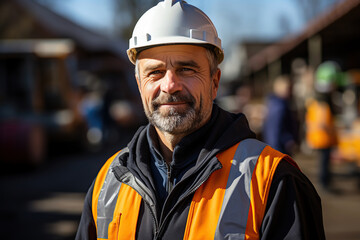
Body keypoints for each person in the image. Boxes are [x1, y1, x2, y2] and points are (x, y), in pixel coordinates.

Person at [76, 1, 325, 239]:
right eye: (155, 72)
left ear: (214, 83)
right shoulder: (108, 182)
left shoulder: (273, 180)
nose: (170, 85)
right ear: (140, 84)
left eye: (186, 69)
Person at [306, 61, 339, 189]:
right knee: (324, 163)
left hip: (322, 138)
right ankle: (324, 183)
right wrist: (332, 130)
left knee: (324, 162)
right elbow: (322, 123)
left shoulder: (317, 100)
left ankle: (325, 181)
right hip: (323, 138)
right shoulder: (322, 103)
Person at [263, 75, 298, 155]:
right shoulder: (280, 106)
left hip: (274, 145)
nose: (291, 92)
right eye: (288, 88)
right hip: (279, 146)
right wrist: (288, 140)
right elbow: (276, 128)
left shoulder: (272, 103)